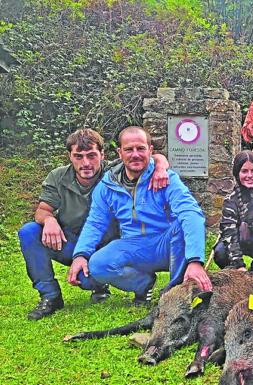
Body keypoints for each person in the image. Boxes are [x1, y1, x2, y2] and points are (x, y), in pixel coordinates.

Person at [18, 128, 170, 320]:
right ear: (70, 156)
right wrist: (49, 219)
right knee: (29, 232)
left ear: (103, 154)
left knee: (87, 279)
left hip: (109, 247)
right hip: (73, 242)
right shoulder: (58, 177)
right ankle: (50, 296)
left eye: (91, 155)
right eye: (78, 156)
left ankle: (141, 283)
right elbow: (42, 209)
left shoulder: (116, 172)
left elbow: (148, 157)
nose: (86, 163)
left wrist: (161, 166)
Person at [70, 126, 212, 306]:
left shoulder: (166, 178)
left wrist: (195, 260)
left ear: (151, 151)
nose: (135, 154)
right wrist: (80, 254)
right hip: (133, 245)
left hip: (166, 243)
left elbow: (191, 213)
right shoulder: (106, 186)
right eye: (129, 149)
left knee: (182, 225)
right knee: (97, 265)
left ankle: (176, 292)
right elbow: (95, 223)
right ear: (119, 152)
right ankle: (142, 284)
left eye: (141, 148)